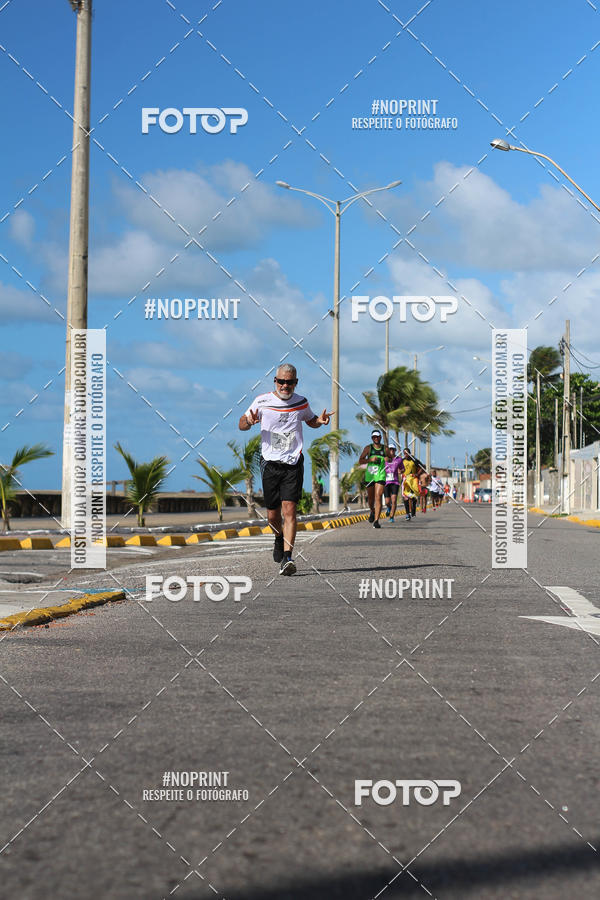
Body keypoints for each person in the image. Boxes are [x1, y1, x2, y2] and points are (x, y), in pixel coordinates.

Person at [239, 364, 331, 576]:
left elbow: (311, 420)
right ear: (275, 381)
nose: (285, 385)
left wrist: (320, 421)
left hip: (293, 463)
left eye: (289, 382)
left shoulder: (301, 402)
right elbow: (241, 423)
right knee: (273, 516)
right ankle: (278, 538)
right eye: (281, 381)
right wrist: (250, 421)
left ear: (295, 383)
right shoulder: (262, 401)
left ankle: (288, 558)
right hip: (270, 464)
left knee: (289, 510)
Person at [358, 429, 388, 528]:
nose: (376, 438)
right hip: (370, 475)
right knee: (371, 499)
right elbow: (360, 461)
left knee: (378, 496)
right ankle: (372, 510)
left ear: (380, 437)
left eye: (377, 437)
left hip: (380, 474)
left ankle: (376, 520)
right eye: (374, 437)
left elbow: (392, 457)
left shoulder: (385, 448)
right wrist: (370, 459)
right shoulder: (368, 448)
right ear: (372, 438)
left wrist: (388, 459)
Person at [384, 444, 403, 522]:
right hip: (386, 482)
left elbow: (403, 469)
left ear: (395, 450)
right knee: (387, 502)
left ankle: (392, 517)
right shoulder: (384, 459)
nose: (391, 451)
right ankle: (388, 507)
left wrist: (400, 471)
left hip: (395, 482)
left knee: (394, 500)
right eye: (390, 449)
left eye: (393, 449)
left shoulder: (399, 459)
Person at [401, 448, 420, 521]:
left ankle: (413, 509)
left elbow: (421, 467)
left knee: (414, 496)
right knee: (406, 496)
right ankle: (407, 514)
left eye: (407, 453)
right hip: (406, 480)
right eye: (404, 453)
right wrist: (401, 473)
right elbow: (399, 469)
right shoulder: (402, 461)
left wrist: (417, 474)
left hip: (413, 479)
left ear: (410, 453)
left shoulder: (414, 460)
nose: (406, 455)